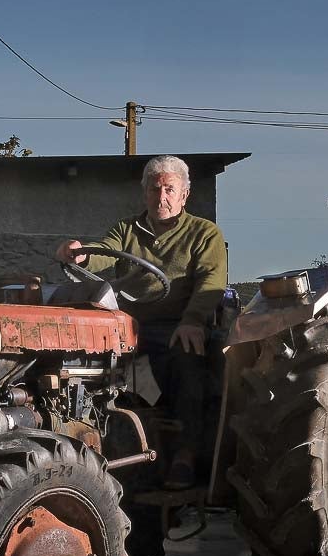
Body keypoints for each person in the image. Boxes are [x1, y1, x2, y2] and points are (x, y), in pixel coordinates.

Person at [55, 156, 227, 490]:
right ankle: (107, 445)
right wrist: (82, 253)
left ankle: (186, 454)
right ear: (145, 193)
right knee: (96, 363)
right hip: (131, 326)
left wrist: (193, 320)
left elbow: (210, 282)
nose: (161, 197)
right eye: (154, 189)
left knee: (187, 356)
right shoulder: (127, 230)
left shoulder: (204, 234)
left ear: (184, 195)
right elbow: (105, 251)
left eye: (169, 190)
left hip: (180, 323)